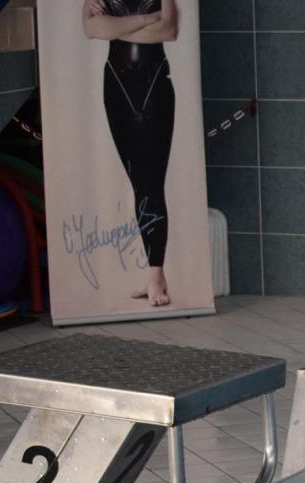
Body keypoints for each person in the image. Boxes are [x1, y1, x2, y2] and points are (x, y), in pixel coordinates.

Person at [84, 0, 180, 307]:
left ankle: (155, 274)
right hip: (116, 86)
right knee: (138, 182)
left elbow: (169, 30)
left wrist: (116, 27)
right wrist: (146, 20)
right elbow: (91, 28)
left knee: (151, 182)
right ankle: (155, 276)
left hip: (154, 85)